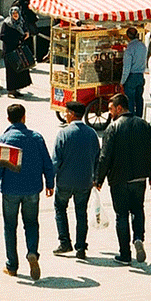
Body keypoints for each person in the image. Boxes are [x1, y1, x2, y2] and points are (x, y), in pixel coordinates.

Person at [0, 104, 54, 280]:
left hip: (10, 190)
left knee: (10, 227)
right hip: (32, 189)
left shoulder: (3, 139)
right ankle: (32, 252)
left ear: (8, 119)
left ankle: (12, 265)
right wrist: (50, 183)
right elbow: (47, 162)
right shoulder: (36, 138)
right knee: (31, 223)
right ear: (24, 117)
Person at [96, 93, 151, 265]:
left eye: (111, 109)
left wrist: (99, 179)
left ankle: (125, 254)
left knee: (121, 215)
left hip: (119, 180)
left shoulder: (113, 128)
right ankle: (138, 238)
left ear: (119, 108)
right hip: (140, 178)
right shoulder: (144, 124)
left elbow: (105, 157)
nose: (109, 113)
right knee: (138, 210)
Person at [51, 101, 100, 260]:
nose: (65, 115)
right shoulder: (92, 133)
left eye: (66, 112)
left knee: (60, 208)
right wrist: (96, 178)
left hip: (64, 182)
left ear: (72, 114)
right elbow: (97, 158)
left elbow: (56, 160)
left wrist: (50, 181)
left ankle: (65, 242)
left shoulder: (63, 134)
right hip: (85, 182)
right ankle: (81, 247)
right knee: (81, 213)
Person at [0, 6, 32, 98]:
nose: (15, 15)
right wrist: (16, 39)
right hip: (9, 51)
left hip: (18, 50)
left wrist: (26, 34)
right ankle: (11, 91)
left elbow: (24, 31)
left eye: (16, 13)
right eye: (13, 13)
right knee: (11, 71)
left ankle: (16, 89)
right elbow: (3, 36)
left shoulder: (21, 22)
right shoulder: (7, 23)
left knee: (20, 70)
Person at [120, 27, 146, 118]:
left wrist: (122, 81)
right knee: (139, 99)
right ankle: (139, 118)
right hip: (140, 76)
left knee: (130, 101)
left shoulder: (129, 49)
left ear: (127, 37)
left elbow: (126, 68)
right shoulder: (143, 46)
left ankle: (131, 120)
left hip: (131, 77)